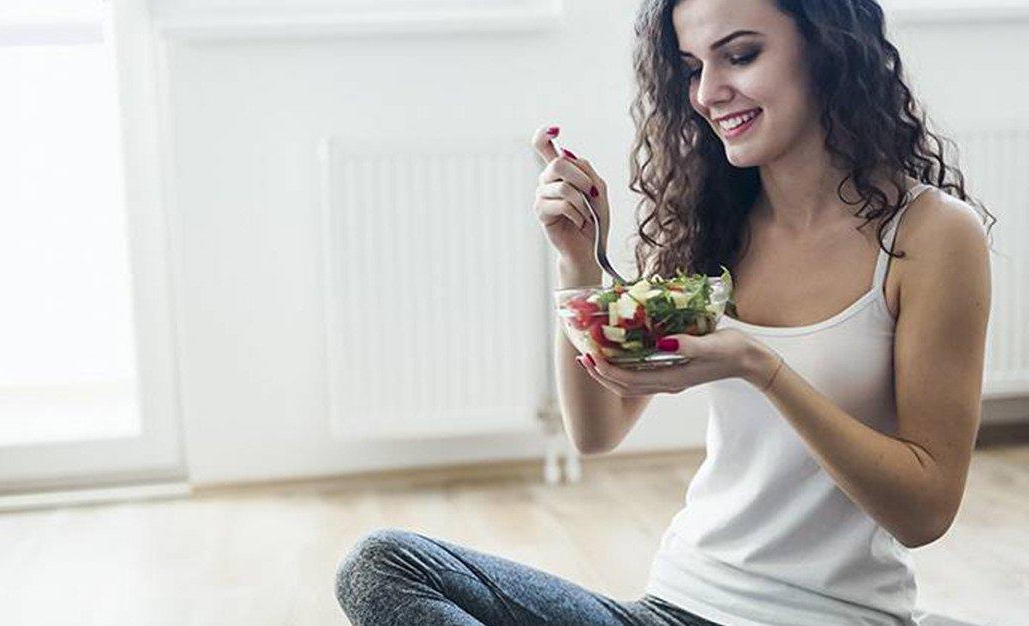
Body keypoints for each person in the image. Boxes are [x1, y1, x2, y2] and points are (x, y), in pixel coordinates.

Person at [334, 0, 996, 624]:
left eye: (739, 56)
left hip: (829, 615)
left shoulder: (930, 237)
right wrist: (578, 261)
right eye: (691, 70)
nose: (708, 93)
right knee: (382, 566)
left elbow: (924, 511)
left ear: (828, 48)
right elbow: (597, 429)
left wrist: (761, 368)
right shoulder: (719, 223)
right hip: (676, 604)